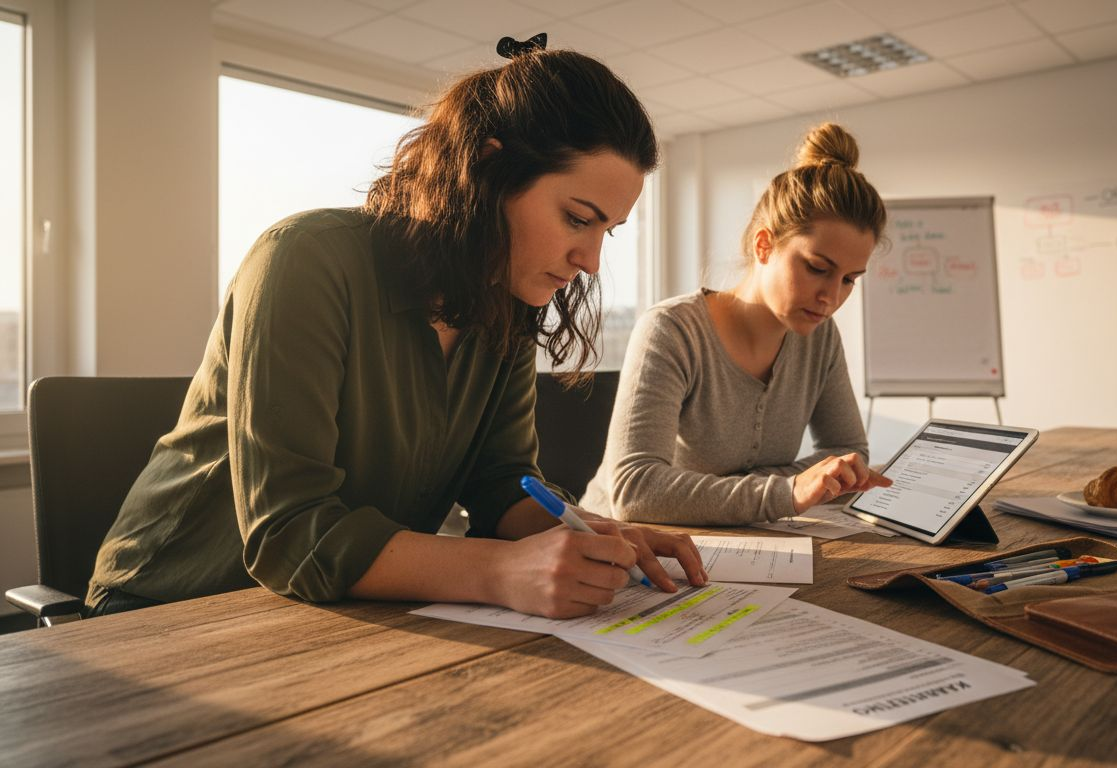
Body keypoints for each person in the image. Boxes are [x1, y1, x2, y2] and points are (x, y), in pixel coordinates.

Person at [86, 38, 706, 620]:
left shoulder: (509, 303)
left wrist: (589, 535)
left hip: (335, 613)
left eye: (607, 232)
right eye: (577, 218)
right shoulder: (305, 259)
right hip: (169, 606)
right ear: (491, 171)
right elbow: (288, 532)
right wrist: (499, 571)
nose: (591, 260)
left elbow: (500, 483)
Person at [581, 123, 891, 525]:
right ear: (764, 245)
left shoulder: (820, 339)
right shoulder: (672, 331)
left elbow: (849, 451)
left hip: (738, 547)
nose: (831, 298)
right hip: (621, 551)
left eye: (849, 279)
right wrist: (789, 491)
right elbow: (635, 492)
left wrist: (763, 490)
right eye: (818, 268)